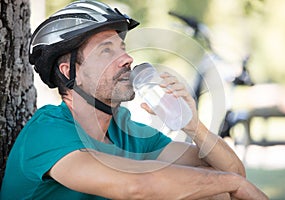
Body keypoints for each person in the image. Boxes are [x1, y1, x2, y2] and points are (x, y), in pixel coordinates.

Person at [0, 1, 268, 199]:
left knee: (213, 194)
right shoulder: (47, 131)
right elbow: (135, 187)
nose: (127, 59)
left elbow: (232, 170)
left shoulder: (126, 131)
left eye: (123, 48)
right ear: (70, 72)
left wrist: (193, 126)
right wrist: (233, 184)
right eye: (106, 51)